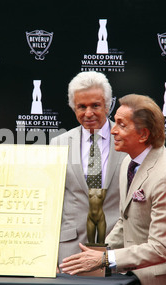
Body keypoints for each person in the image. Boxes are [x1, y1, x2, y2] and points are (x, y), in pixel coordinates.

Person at [60, 94, 166, 285]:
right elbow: (125, 219)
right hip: (131, 280)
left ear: (143, 135)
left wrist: (105, 259)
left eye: (121, 125)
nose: (112, 130)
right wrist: (96, 255)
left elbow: (162, 248)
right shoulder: (128, 162)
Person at [50, 71, 126, 266]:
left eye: (95, 105)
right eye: (81, 107)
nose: (88, 113)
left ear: (108, 105)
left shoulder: (128, 142)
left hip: (117, 248)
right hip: (70, 249)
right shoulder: (58, 144)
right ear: (73, 107)